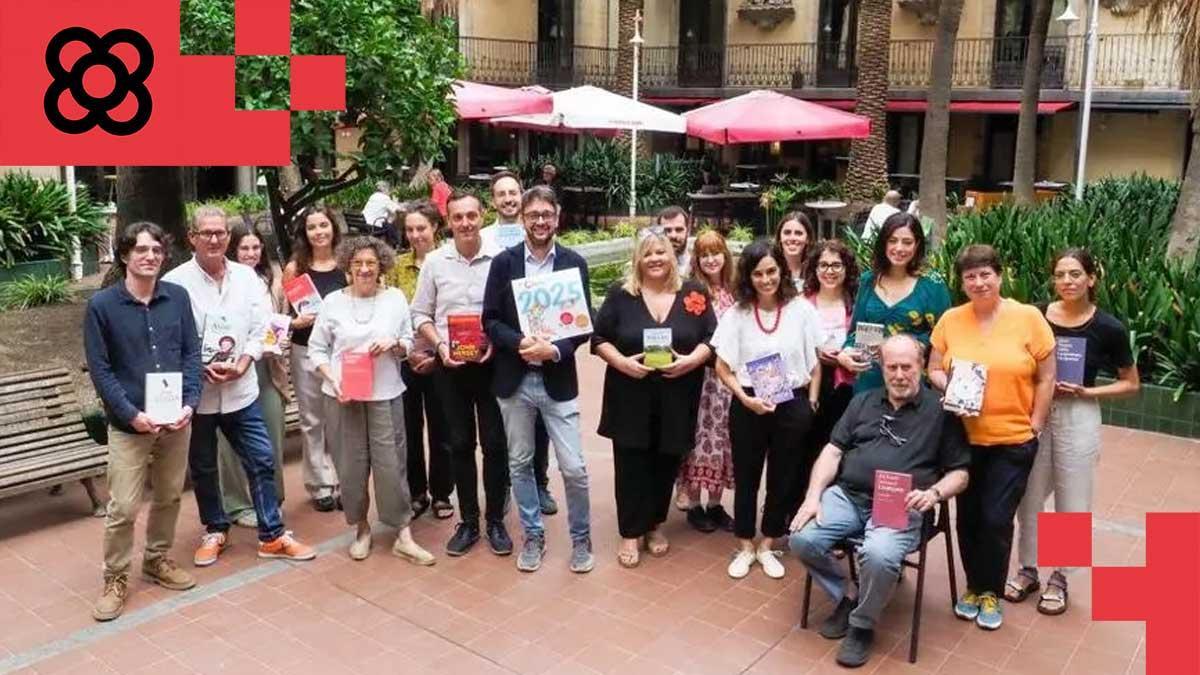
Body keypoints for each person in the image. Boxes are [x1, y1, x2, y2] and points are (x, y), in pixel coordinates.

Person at [789, 335, 970, 668]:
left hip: (902, 504)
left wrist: (933, 494)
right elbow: (832, 451)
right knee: (801, 537)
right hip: (848, 495)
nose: (899, 375)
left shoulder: (941, 411)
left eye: (907, 367)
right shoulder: (863, 402)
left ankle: (862, 625)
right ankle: (848, 593)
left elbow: (961, 473)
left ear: (921, 367)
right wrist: (813, 497)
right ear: (882, 369)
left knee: (879, 553)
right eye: (892, 367)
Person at [164, 206, 315, 566]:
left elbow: (263, 326)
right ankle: (215, 528)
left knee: (261, 459)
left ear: (227, 239)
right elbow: (170, 337)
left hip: (242, 389)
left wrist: (244, 361)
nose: (214, 239)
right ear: (192, 238)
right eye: (206, 233)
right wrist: (197, 368)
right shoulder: (174, 283)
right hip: (198, 396)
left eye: (220, 233)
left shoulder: (247, 279)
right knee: (203, 466)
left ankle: (272, 535)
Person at [928, 244, 1056, 631]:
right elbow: (933, 368)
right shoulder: (951, 319)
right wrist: (949, 386)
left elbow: (1047, 375)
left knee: (997, 517)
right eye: (970, 276)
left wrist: (1035, 423)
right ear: (962, 281)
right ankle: (972, 587)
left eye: (986, 274)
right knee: (967, 516)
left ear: (1000, 276)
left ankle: (991, 592)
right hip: (964, 438)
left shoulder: (1028, 317)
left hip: (1013, 439)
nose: (979, 282)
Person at [1007, 248, 1139, 616]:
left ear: (1091, 279)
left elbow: (1131, 384)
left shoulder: (1109, 327)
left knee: (1072, 499)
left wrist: (1088, 391)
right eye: (1061, 274)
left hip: (1078, 413)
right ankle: (1028, 568)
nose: (1067, 281)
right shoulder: (1034, 316)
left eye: (1076, 274)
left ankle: (1061, 576)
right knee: (1028, 495)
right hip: (1036, 411)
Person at [84, 222, 201, 621]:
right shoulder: (102, 306)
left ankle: (157, 559)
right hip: (129, 425)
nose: (149, 256)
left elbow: (191, 354)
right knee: (124, 506)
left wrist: (190, 402)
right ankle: (116, 576)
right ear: (124, 255)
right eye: (141, 250)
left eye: (156, 250)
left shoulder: (178, 298)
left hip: (175, 422)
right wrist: (131, 414)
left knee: (169, 496)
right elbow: (100, 370)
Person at [482, 185, 595, 573]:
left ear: (557, 216)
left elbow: (583, 325)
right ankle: (533, 534)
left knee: (574, 468)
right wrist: (519, 342)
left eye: (547, 214)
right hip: (515, 380)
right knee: (520, 462)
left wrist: (556, 349)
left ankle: (581, 539)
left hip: (557, 378)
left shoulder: (573, 263)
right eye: (533, 216)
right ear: (523, 219)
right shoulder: (504, 263)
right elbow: (490, 320)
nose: (541, 221)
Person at [307, 236, 436, 565]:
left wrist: (394, 343)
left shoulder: (394, 298)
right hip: (343, 395)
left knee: (392, 464)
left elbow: (409, 340)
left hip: (385, 392)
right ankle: (361, 528)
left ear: (381, 266)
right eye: (358, 264)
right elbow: (317, 349)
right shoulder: (333, 302)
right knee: (351, 466)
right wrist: (331, 377)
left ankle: (402, 533)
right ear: (348, 266)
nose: (365, 269)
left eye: (371, 263)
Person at [592, 231, 716, 568]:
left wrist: (692, 360)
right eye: (648, 254)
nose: (656, 259)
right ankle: (631, 531)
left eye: (661, 252)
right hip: (631, 393)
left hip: (678, 394)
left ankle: (654, 525)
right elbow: (599, 337)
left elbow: (711, 336)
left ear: (672, 255)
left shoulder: (693, 292)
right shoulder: (622, 294)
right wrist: (621, 362)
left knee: (666, 462)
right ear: (638, 259)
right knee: (632, 463)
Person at [713, 239, 823, 580]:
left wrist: (812, 402)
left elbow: (816, 361)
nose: (766, 279)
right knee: (747, 476)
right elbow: (722, 366)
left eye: (772, 271)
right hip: (748, 403)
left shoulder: (802, 309)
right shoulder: (737, 313)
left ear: (781, 271)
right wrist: (744, 399)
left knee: (783, 477)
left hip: (791, 403)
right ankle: (746, 543)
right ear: (748, 276)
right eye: (758, 273)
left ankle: (769, 541)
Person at [412, 191, 513, 557]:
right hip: (449, 368)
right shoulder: (436, 263)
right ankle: (469, 521)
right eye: (458, 217)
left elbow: (511, 313)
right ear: (448, 220)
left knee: (495, 444)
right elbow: (420, 314)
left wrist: (496, 343)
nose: (466, 223)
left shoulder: (502, 260)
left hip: (491, 365)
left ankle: (496, 522)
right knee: (458, 443)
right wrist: (439, 346)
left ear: (482, 216)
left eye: (472, 215)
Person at [487, 170, 556, 514]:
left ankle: (539, 484)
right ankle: (504, 489)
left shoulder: (548, 240)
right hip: (500, 350)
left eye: (514, 192)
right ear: (493, 200)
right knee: (504, 433)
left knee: (540, 426)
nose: (508, 199)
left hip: (545, 353)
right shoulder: (488, 242)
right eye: (502, 194)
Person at [216, 226, 289, 530]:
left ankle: (273, 498)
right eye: (244, 248)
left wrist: (283, 337)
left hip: (267, 368)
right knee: (229, 440)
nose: (251, 254)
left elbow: (281, 321)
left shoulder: (273, 279)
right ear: (234, 250)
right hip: (229, 369)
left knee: (273, 435)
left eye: (256, 247)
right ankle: (236, 503)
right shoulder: (222, 279)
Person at [386, 201, 455, 520]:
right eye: (410, 229)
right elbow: (391, 314)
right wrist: (409, 353)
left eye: (421, 228)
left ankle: (442, 493)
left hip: (442, 356)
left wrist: (435, 352)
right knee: (409, 429)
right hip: (406, 359)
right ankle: (417, 492)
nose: (415, 235)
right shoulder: (395, 266)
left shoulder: (449, 261)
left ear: (435, 228)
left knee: (443, 426)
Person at [837, 213, 951, 394]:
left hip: (911, 382)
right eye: (892, 240)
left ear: (917, 245)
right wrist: (844, 353)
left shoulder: (932, 284)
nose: (899, 248)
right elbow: (855, 332)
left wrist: (919, 345)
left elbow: (946, 337)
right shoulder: (869, 280)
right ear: (884, 243)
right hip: (869, 380)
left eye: (907, 242)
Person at [282, 206, 345, 512]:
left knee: (342, 417)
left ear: (333, 228)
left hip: (341, 351)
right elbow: (283, 316)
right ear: (304, 233)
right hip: (305, 349)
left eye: (324, 225)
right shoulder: (296, 268)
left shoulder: (346, 263)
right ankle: (320, 483)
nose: (319, 232)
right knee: (311, 419)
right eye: (312, 227)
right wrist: (297, 321)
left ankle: (345, 480)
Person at [790, 241, 860, 517]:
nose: (829, 271)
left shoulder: (856, 301)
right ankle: (799, 510)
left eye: (836, 265)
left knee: (840, 450)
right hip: (811, 383)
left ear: (846, 268)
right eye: (823, 265)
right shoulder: (802, 302)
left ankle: (835, 516)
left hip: (847, 385)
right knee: (806, 447)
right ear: (814, 268)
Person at [675, 230, 737, 533]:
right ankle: (696, 503)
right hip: (701, 379)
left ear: (725, 255)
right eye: (704, 254)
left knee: (725, 438)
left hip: (729, 382)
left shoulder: (736, 290)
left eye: (716, 252)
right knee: (699, 438)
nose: (711, 259)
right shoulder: (692, 292)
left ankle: (715, 503)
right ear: (697, 259)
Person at [774, 211, 816, 290]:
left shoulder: (814, 271)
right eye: (787, 233)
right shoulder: (770, 269)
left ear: (808, 239)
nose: (792, 238)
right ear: (780, 237)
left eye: (798, 233)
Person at [362, 180, 402, 244]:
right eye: (389, 189)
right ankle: (396, 244)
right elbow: (397, 209)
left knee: (388, 224)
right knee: (390, 225)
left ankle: (393, 243)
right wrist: (395, 200)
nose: (389, 191)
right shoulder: (384, 198)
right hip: (374, 226)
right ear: (385, 189)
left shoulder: (373, 196)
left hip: (364, 224)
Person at [657, 205, 692, 272]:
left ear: (688, 231)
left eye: (679, 230)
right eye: (667, 230)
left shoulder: (697, 268)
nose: (673, 236)